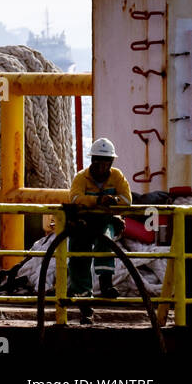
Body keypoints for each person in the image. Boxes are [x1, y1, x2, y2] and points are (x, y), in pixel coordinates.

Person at [68, 137, 131, 321]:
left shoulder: (117, 177)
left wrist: (115, 202)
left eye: (105, 161)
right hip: (83, 223)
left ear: (111, 162)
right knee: (79, 258)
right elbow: (74, 198)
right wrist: (97, 201)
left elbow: (127, 200)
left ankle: (105, 281)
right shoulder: (81, 178)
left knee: (106, 240)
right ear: (92, 160)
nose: (101, 165)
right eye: (97, 160)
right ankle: (84, 303)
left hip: (105, 221)